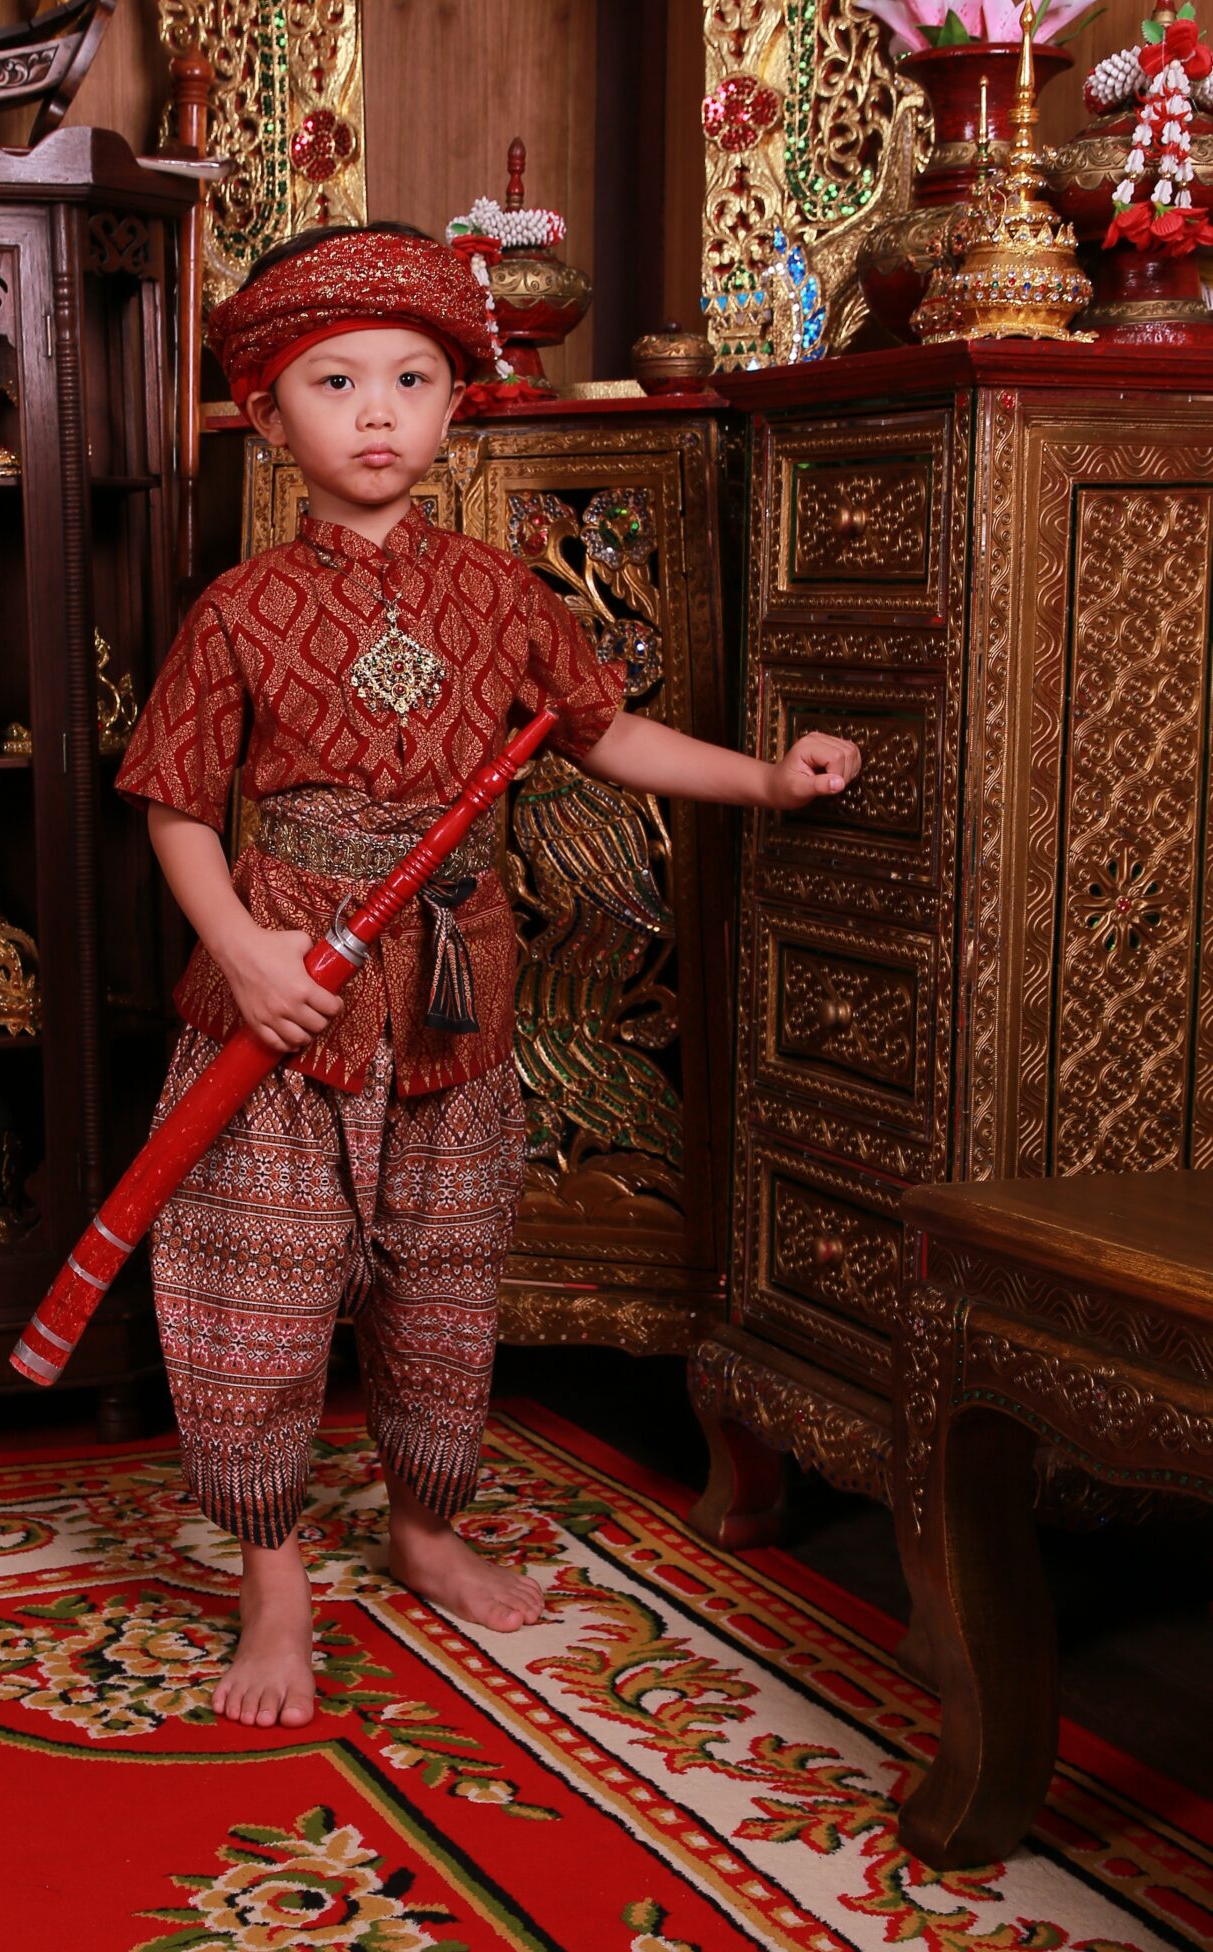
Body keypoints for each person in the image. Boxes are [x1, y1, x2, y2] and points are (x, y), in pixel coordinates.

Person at [114, 222, 860, 1730]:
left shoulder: (509, 597)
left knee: (445, 1277)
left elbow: (604, 735)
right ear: (268, 415)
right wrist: (245, 955)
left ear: (461, 404)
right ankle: (273, 1576)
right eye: (337, 382)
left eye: (413, 377)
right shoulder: (238, 611)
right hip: (292, 997)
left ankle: (424, 1527)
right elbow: (178, 807)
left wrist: (770, 783)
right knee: (260, 1276)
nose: (378, 410)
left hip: (457, 984)